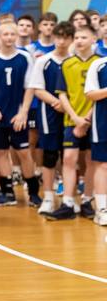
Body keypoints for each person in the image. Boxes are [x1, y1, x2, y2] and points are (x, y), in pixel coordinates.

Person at [0, 21, 38, 206]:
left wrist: (23, 112)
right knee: (0, 152)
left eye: (12, 34)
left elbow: (30, 87)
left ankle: (33, 192)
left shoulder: (25, 57)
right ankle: (8, 192)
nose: (8, 38)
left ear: (16, 36)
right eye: (5, 34)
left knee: (24, 152)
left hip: (17, 115)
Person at [53, 25, 100, 219]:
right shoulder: (67, 64)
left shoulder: (100, 63)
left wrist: (86, 119)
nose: (79, 41)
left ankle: (87, 200)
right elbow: (62, 94)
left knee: (91, 160)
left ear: (94, 40)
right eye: (77, 37)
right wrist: (75, 118)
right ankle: (68, 203)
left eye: (84, 37)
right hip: (72, 120)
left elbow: (101, 95)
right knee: (69, 158)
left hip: (95, 121)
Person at [30, 22, 75, 215]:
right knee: (49, 155)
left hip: (71, 114)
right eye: (58, 37)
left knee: (69, 157)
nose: (61, 41)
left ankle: (69, 199)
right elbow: (37, 89)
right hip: (48, 113)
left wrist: (68, 107)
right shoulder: (44, 61)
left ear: (71, 39)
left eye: (66, 37)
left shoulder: (74, 61)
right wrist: (57, 102)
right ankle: (48, 197)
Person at [84, 49, 107, 225]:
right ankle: (102, 209)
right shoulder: (98, 64)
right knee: (103, 165)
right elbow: (90, 93)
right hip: (103, 122)